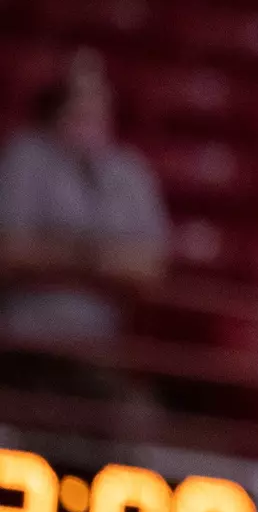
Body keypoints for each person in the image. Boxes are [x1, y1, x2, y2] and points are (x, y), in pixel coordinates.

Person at [0, 49, 170, 394]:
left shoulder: (129, 172)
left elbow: (149, 268)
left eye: (97, 96)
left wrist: (57, 256)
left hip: (97, 349)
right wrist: (99, 261)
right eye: (78, 96)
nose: (89, 107)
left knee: (132, 417)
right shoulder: (25, 157)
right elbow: (9, 253)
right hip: (21, 342)